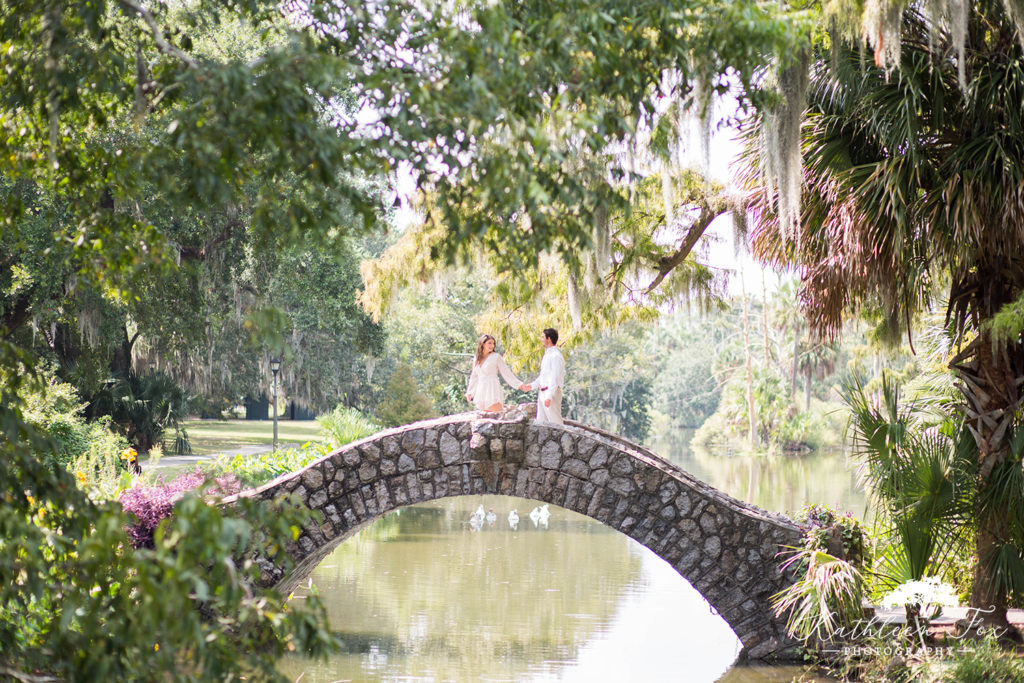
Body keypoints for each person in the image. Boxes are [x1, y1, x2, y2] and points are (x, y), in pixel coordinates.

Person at [465, 334, 528, 412]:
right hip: (481, 390)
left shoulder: (496, 357)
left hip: (492, 388)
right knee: (485, 417)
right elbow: (474, 377)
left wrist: (519, 385)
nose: (492, 346)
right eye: (489, 343)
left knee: (497, 414)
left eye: (493, 343)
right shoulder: (477, 358)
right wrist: (470, 392)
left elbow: (506, 373)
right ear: (483, 343)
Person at [522, 328, 565, 424]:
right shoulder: (547, 355)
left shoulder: (556, 356)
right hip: (542, 392)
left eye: (543, 337)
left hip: (551, 392)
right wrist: (531, 386)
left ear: (549, 339)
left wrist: (549, 396)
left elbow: (555, 378)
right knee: (540, 423)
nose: (541, 339)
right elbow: (543, 376)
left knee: (555, 422)